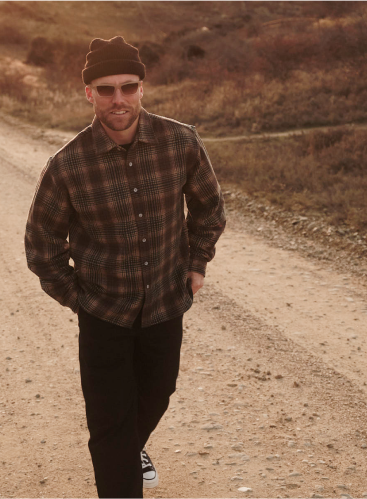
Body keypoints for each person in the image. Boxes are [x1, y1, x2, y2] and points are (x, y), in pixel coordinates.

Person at [24, 35, 226, 499]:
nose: (119, 99)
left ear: (141, 88)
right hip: (103, 316)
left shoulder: (180, 142)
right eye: (107, 89)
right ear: (89, 93)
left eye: (128, 87)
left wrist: (197, 263)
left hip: (165, 304)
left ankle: (129, 448)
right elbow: (41, 246)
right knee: (109, 427)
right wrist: (80, 300)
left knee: (158, 393)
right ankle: (121, 461)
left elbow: (209, 208)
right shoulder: (67, 165)